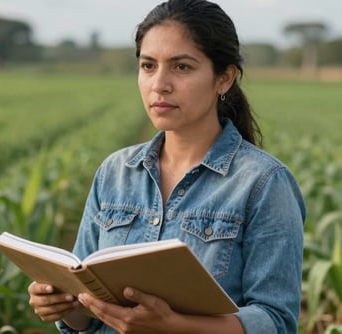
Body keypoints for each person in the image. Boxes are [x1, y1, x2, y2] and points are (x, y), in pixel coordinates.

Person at [28, 0, 306, 333]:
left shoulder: (263, 183)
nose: (159, 84)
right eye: (148, 66)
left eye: (181, 67)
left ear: (224, 78)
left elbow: (276, 321)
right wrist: (65, 306)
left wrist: (175, 326)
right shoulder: (114, 173)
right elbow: (85, 314)